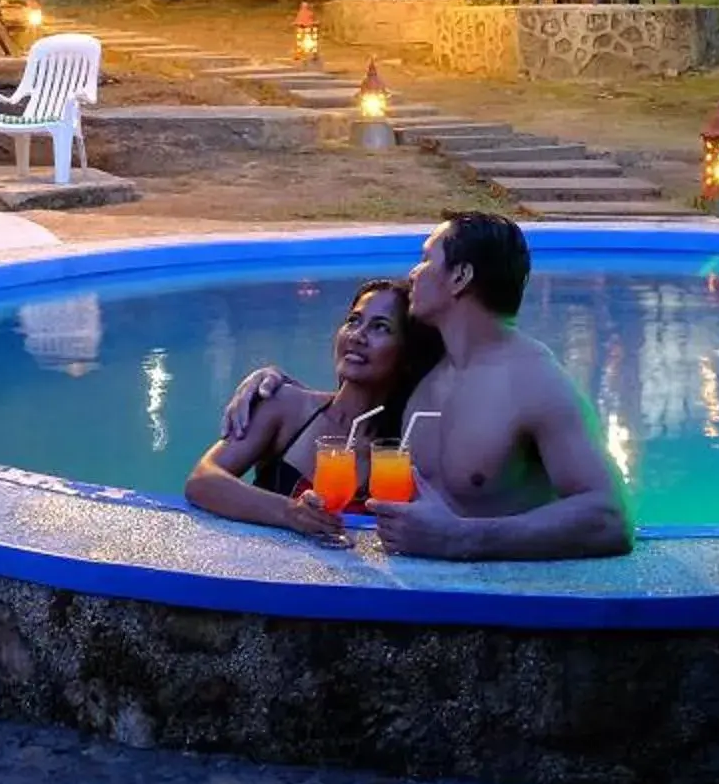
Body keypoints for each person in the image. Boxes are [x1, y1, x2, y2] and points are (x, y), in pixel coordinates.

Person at [224, 214, 632, 561]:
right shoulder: (431, 373)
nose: (413, 274)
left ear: (460, 276)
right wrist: (271, 381)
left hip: (494, 619)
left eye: (424, 259)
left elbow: (610, 518)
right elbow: (355, 397)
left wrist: (465, 538)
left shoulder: (535, 381)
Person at [185, 277, 441, 542]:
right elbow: (203, 480)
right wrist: (290, 512)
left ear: (409, 354)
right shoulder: (285, 405)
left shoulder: (405, 447)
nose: (357, 336)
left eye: (380, 327)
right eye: (353, 321)